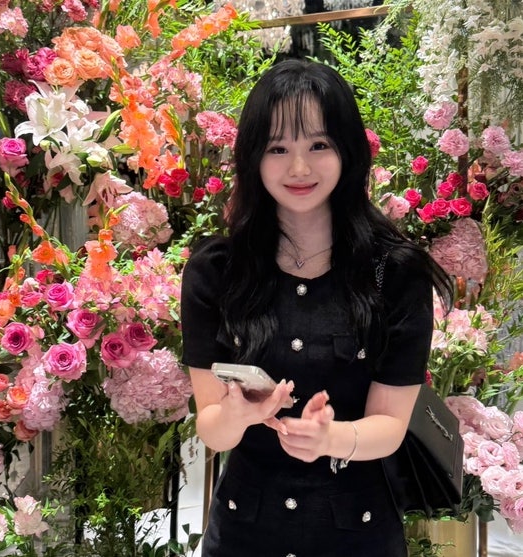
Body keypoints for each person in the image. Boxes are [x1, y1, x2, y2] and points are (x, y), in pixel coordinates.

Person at [180, 58, 453, 557]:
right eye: (278, 148)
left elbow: (390, 426)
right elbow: (212, 431)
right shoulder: (216, 271)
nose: (299, 168)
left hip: (358, 532)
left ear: (347, 150)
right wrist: (237, 414)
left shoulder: (395, 274)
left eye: (319, 145)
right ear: (253, 157)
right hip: (245, 531)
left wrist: (331, 439)